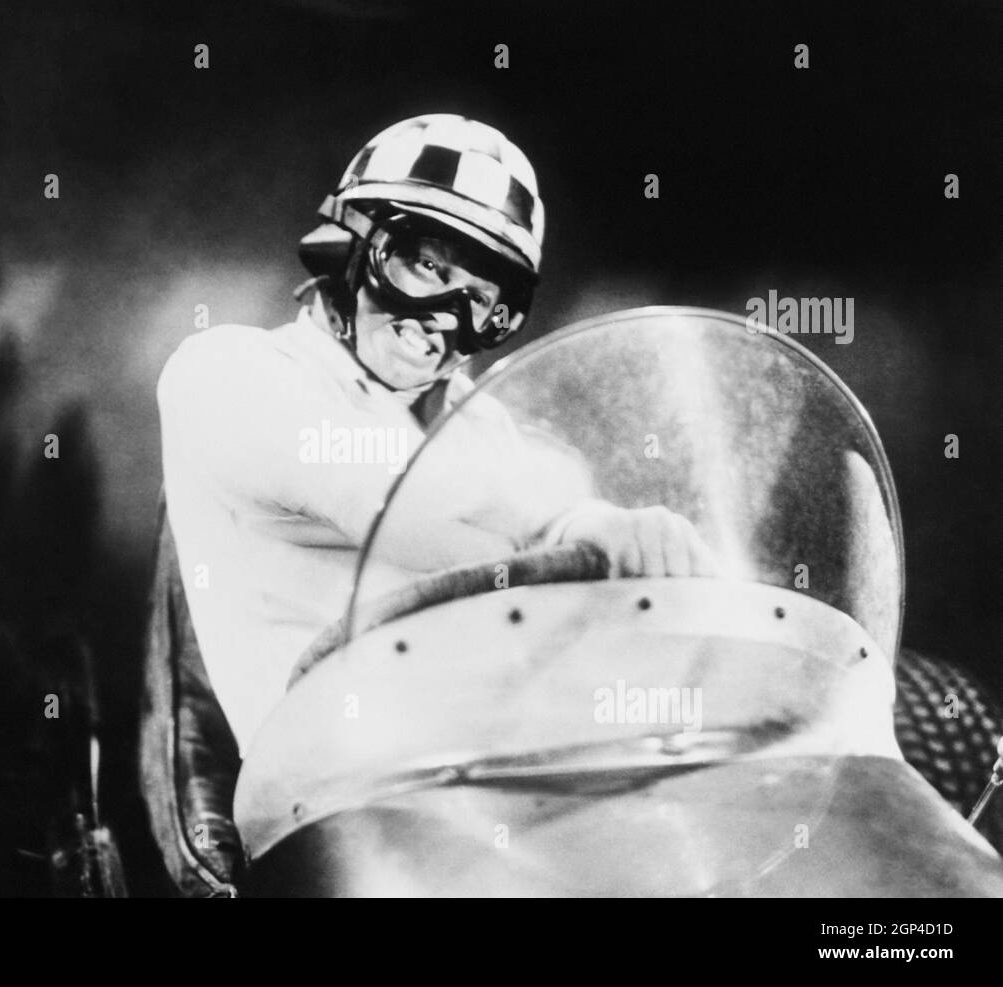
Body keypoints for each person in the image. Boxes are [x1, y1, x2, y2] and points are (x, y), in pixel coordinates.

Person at [158, 114, 713, 750]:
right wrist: (575, 548)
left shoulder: (476, 420)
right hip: (326, 799)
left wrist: (604, 529)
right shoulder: (228, 370)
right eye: (424, 265)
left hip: (490, 776)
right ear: (347, 249)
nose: (444, 320)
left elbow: (546, 509)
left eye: (479, 300)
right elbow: (385, 503)